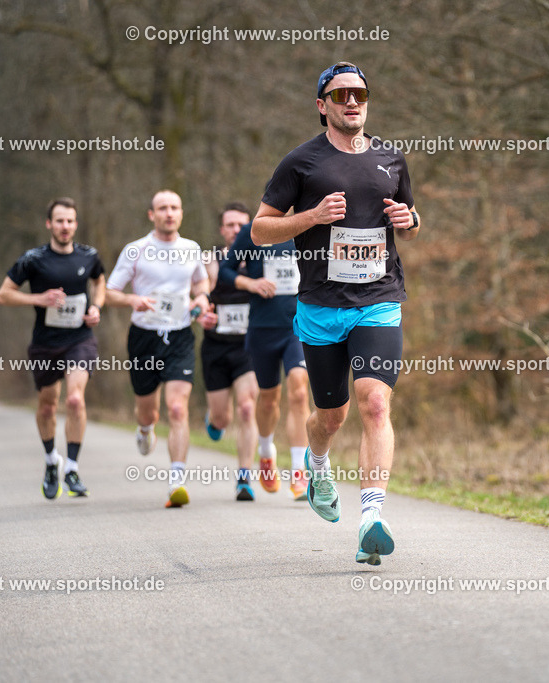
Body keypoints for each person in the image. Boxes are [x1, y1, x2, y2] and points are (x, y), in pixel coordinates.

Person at [252, 61, 421, 565]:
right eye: (341, 94)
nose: (352, 102)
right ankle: (318, 463)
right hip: (321, 308)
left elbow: (411, 221)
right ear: (322, 105)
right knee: (331, 416)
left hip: (379, 301)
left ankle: (371, 517)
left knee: (375, 404)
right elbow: (260, 230)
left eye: (359, 94)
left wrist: (409, 219)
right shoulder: (300, 163)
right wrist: (311, 216)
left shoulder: (391, 158)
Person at [105, 190, 215, 508]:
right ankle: (145, 428)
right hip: (144, 337)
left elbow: (201, 283)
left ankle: (176, 482)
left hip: (179, 335)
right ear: (151, 215)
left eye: (174, 207)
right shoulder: (136, 250)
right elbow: (110, 293)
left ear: (181, 213)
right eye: (162, 208)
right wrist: (132, 299)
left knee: (178, 408)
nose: (169, 213)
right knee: (148, 410)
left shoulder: (191, 248)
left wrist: (201, 299)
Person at [0, 197, 105, 499]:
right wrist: (38, 299)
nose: (65, 226)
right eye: (59, 221)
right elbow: (4, 295)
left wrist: (96, 307)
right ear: (49, 224)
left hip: (80, 340)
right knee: (47, 406)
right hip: (45, 344)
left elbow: (99, 282)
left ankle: (72, 468)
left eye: (70, 221)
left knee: (74, 400)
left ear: (76, 224)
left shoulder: (89, 256)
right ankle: (50, 461)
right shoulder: (33, 259)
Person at [220, 204, 311, 502]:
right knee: (269, 398)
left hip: (298, 325)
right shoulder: (253, 231)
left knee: (299, 390)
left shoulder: (308, 228)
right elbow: (225, 270)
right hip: (262, 328)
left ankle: (299, 472)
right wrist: (251, 283)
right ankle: (266, 450)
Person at [201, 202, 264, 501]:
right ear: (221, 229)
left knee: (247, 407)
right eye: (230, 225)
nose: (236, 230)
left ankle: (244, 478)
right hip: (215, 346)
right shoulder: (210, 260)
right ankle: (214, 420)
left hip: (248, 347)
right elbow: (200, 293)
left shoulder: (261, 259)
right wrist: (203, 312)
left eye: (242, 225)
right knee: (222, 419)